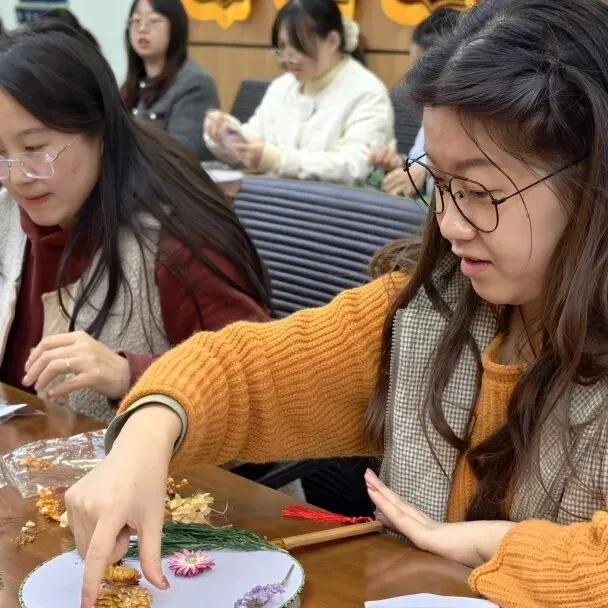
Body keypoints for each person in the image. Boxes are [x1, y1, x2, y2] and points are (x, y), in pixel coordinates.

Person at [67, 0, 608, 606]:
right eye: (439, 184)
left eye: (481, 191)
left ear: (592, 180)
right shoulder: (427, 310)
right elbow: (247, 369)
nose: (450, 224)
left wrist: (496, 543)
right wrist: (148, 431)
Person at [0, 22, 270, 424]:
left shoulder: (174, 242)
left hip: (163, 463)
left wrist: (131, 374)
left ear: (100, 131)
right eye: (1, 154)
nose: (17, 177)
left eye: (34, 148)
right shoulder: (10, 213)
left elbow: (263, 381)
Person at [203, 0, 394, 186]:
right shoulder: (282, 87)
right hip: (276, 196)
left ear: (332, 42)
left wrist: (279, 161)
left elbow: (355, 166)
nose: (288, 58)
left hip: (336, 204)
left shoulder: (368, 92)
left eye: (299, 46)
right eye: (282, 47)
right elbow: (255, 138)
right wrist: (227, 135)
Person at [369, 8, 460, 197]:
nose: (417, 82)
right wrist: (398, 163)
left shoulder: (479, 108)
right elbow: (417, 163)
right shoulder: (432, 101)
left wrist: (427, 172)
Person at [122, 0, 220, 161]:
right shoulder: (133, 85)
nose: (142, 28)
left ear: (175, 28)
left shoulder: (194, 84)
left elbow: (181, 153)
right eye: (136, 20)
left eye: (154, 20)